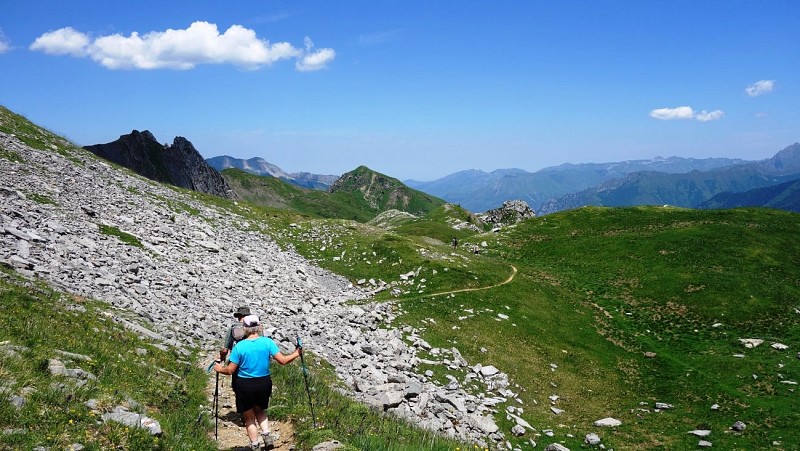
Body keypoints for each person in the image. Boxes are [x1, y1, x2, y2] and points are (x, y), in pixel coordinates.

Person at [214, 314, 302, 451]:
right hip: (264, 382)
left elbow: (230, 370)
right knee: (260, 410)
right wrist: (297, 353)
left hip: (244, 384)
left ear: (245, 328)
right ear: (259, 327)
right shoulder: (268, 342)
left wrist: (219, 368)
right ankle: (267, 435)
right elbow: (283, 361)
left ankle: (255, 444)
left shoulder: (240, 346)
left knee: (249, 417)